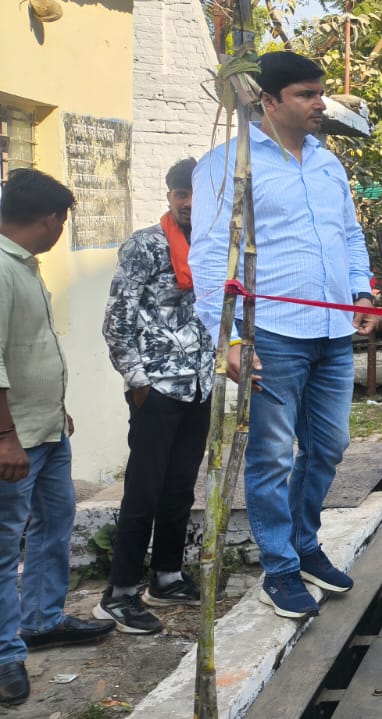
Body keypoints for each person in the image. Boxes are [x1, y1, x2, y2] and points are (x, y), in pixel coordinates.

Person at [190, 51, 376, 620]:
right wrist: (229, 340)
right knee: (271, 456)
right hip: (268, 331)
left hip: (332, 330)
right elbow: (207, 256)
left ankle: (303, 542)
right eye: (306, 94)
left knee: (329, 446)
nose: (321, 104)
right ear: (268, 101)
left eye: (320, 93)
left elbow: (349, 235)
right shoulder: (229, 163)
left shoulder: (328, 165)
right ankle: (280, 567)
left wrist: (360, 293)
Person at [0, 169, 116, 706]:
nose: (60, 229)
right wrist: (6, 437)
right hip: (14, 439)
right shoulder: (1, 269)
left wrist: (58, 408)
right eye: (62, 220)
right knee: (5, 548)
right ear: (50, 219)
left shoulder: (24, 266)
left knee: (56, 521)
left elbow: (33, 348)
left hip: (45, 429)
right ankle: (5, 656)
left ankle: (42, 620)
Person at [96, 158, 211, 635]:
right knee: (142, 491)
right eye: (179, 193)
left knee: (181, 486)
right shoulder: (146, 245)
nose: (187, 203)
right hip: (157, 389)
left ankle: (166, 577)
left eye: (196, 194)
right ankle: (119, 593)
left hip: (199, 386)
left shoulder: (212, 249)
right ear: (169, 196)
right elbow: (117, 321)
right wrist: (138, 381)